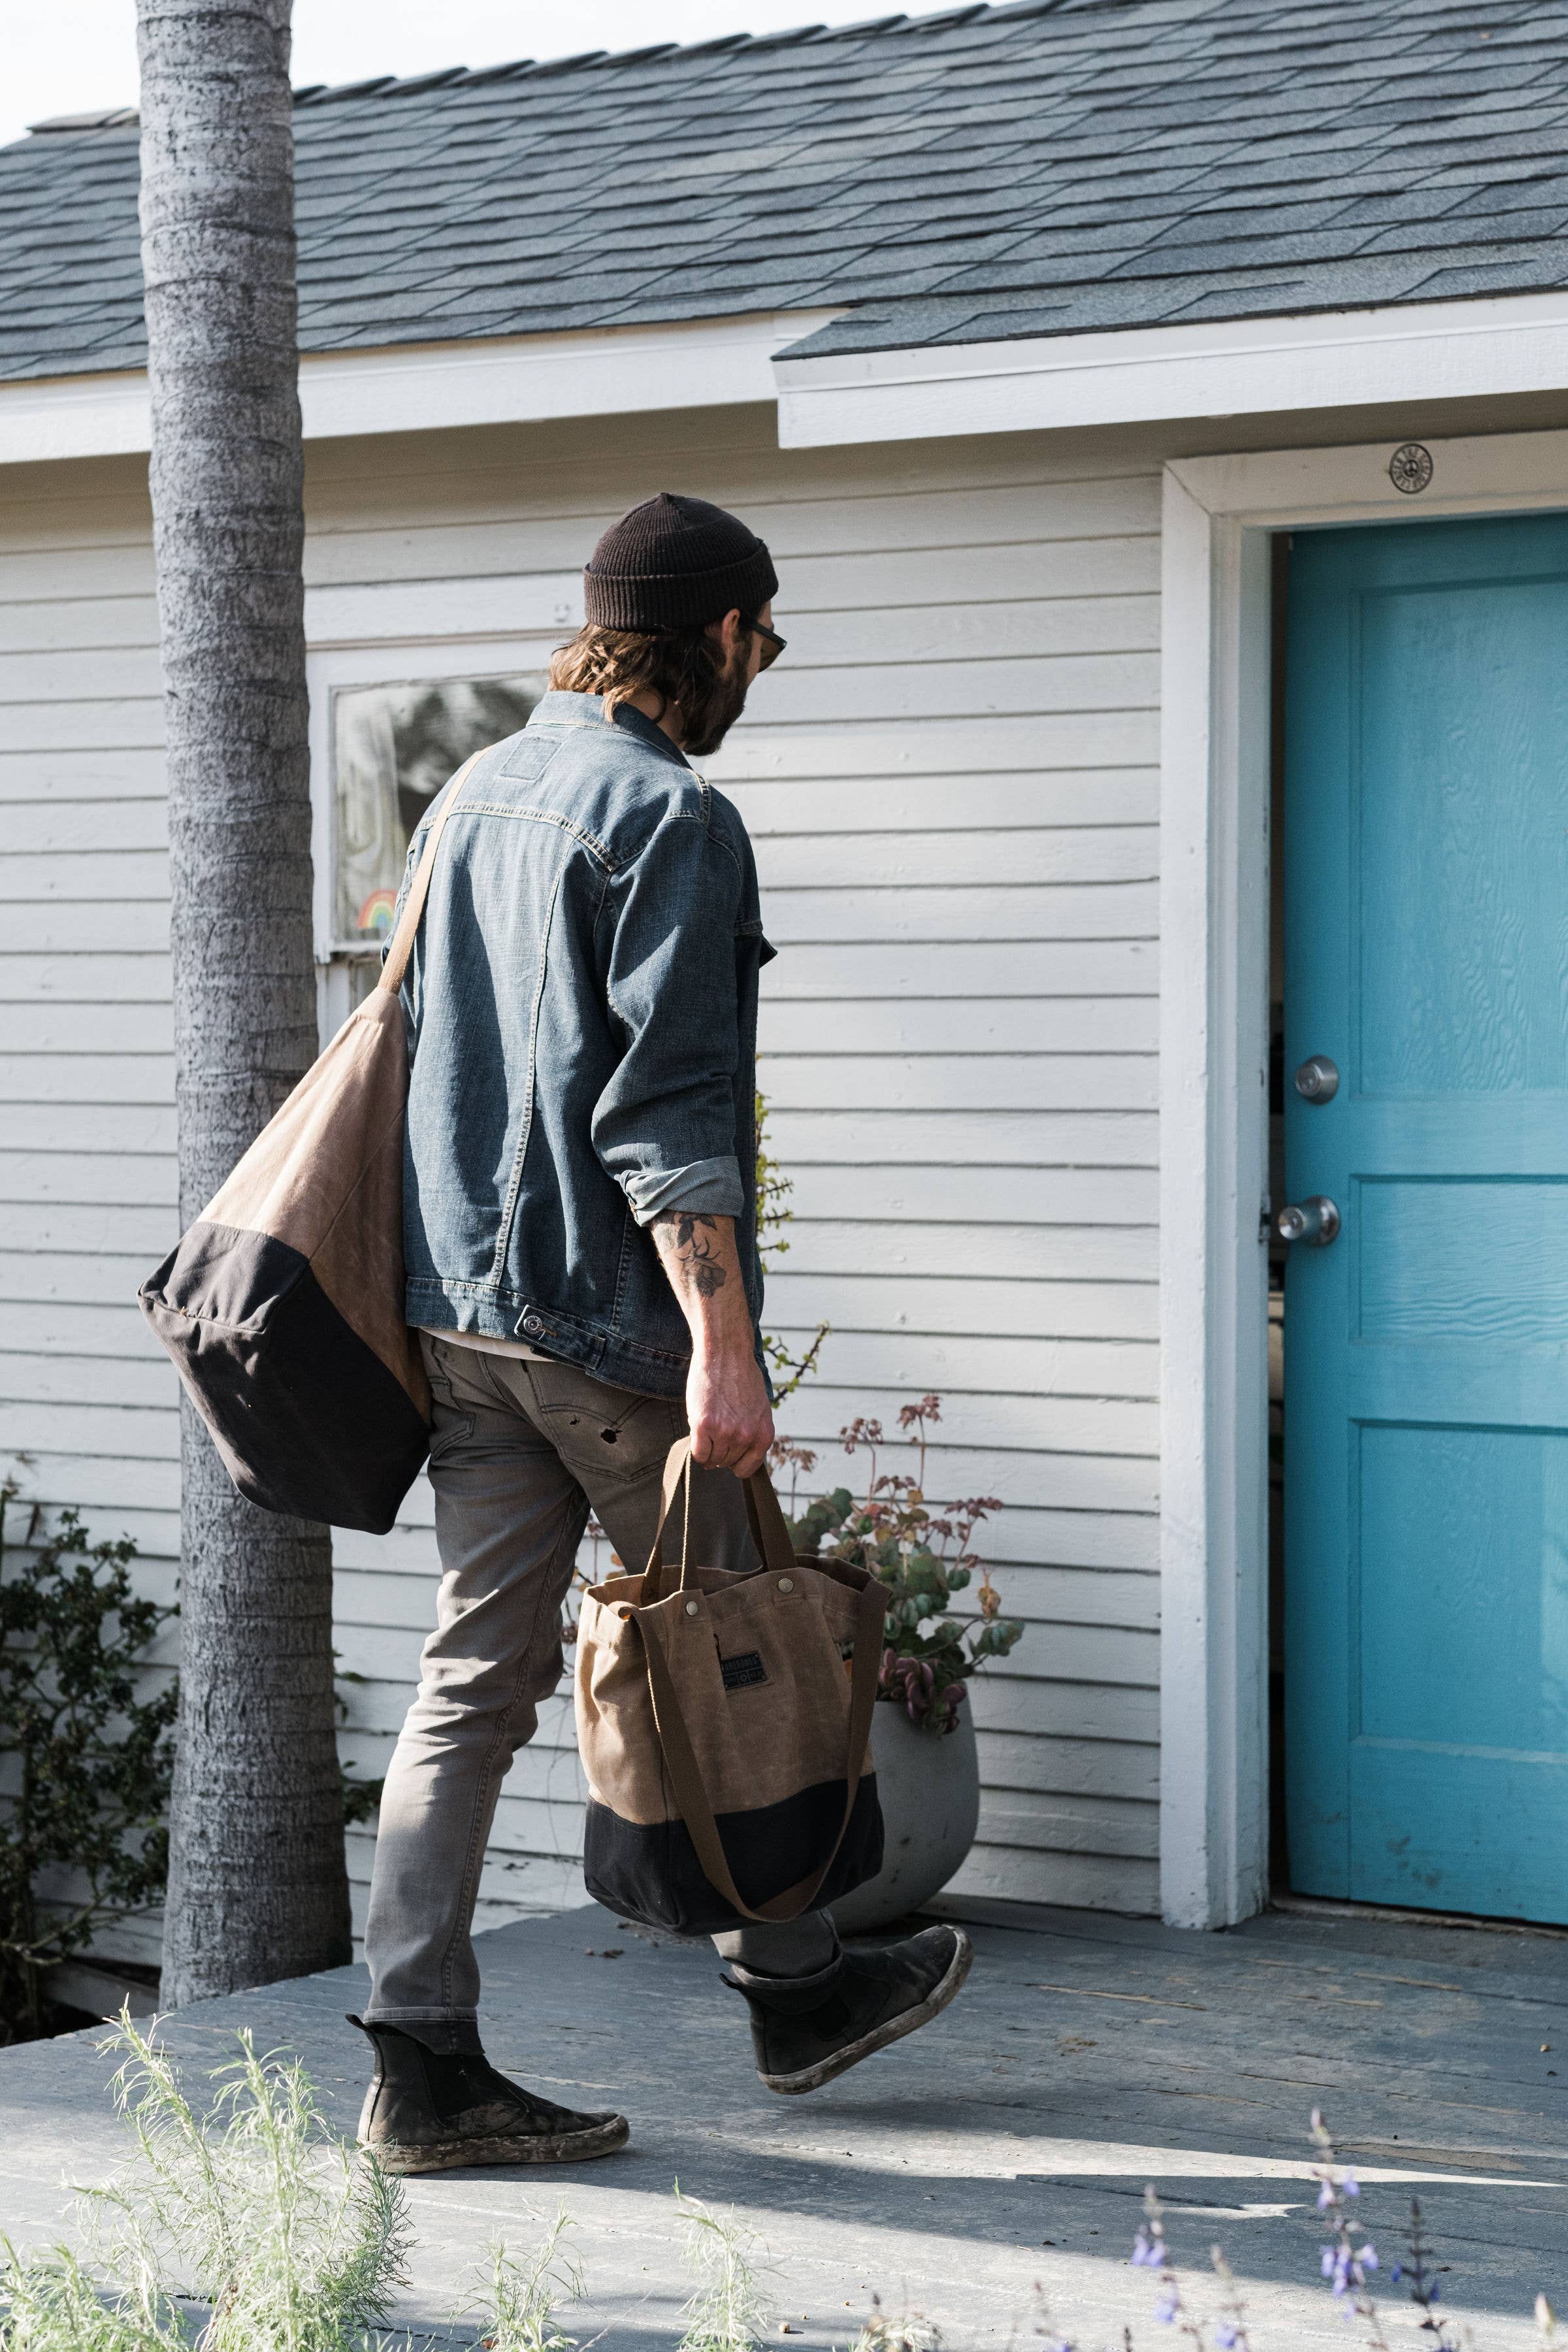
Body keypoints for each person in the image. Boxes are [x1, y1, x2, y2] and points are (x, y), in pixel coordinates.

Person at [352, 493, 972, 2175]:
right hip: (608, 1329)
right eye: (763, 638)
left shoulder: (471, 789)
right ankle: (800, 1993)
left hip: (460, 1315)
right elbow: (669, 1115)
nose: (763, 667)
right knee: (740, 1641)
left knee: (471, 1683)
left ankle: (421, 2065)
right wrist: (724, 1344)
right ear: (718, 634)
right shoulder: (674, 816)